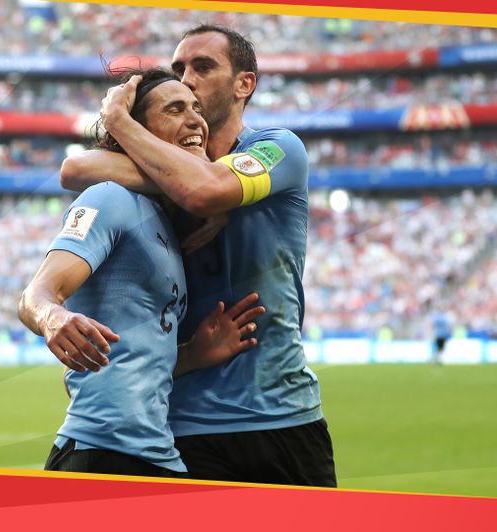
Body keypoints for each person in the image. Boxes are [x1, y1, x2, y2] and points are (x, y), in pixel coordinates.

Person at [60, 25, 336, 486]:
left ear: (244, 84)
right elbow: (76, 168)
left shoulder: (278, 148)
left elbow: (205, 189)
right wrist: (194, 188)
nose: (186, 79)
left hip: (282, 415)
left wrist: (123, 125)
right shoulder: (164, 179)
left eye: (203, 67)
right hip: (184, 428)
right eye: (179, 69)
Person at [20, 68, 265, 478]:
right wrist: (53, 318)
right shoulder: (110, 198)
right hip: (99, 453)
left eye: (196, 108)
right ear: (137, 131)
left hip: (158, 453)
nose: (195, 120)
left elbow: (131, 359)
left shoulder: (169, 222)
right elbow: (36, 294)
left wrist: (190, 356)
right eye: (175, 110)